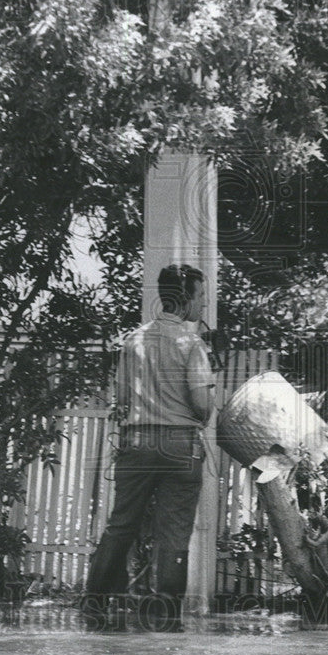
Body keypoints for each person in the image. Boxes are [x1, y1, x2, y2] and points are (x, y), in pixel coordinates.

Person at [81, 264, 216, 631]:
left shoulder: (134, 341)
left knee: (121, 524)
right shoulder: (192, 345)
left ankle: (92, 605)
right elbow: (202, 405)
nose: (203, 304)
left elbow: (121, 399)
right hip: (179, 446)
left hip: (137, 442)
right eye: (201, 296)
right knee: (173, 533)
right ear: (186, 298)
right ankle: (166, 618)